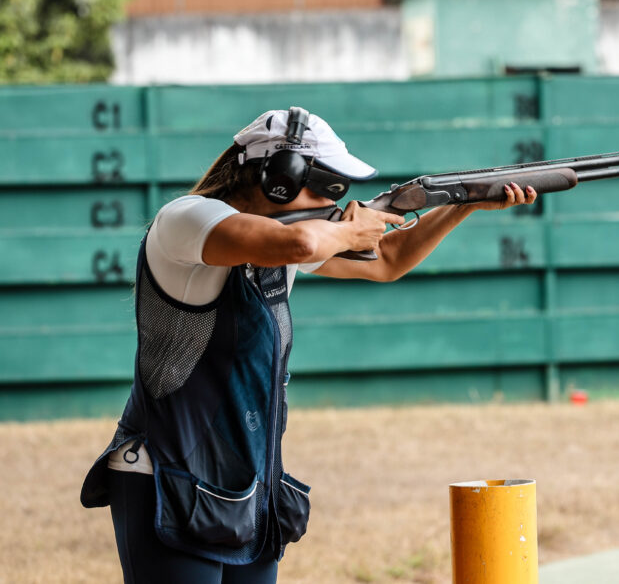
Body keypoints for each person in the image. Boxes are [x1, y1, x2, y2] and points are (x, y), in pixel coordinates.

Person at [80, 107, 536, 583]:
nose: (336, 197)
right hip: (168, 476)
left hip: (246, 483)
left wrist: (463, 203)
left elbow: (389, 260)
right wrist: (350, 231)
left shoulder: (287, 240)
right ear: (280, 178)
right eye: (328, 184)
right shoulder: (187, 219)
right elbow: (300, 244)